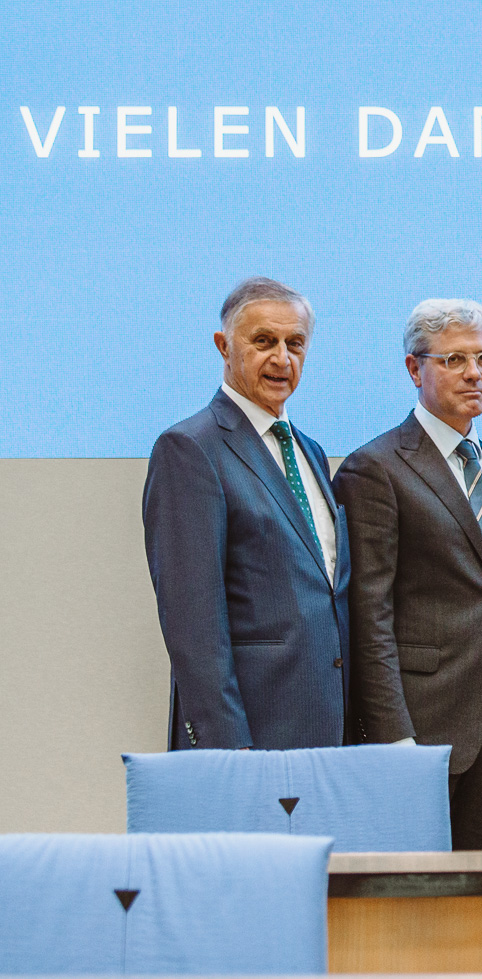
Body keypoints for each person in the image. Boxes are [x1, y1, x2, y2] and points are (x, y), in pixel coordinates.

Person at [332, 299, 482, 850]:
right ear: (414, 368)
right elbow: (368, 613)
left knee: (477, 899)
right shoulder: (374, 467)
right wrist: (393, 735)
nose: (474, 373)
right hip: (419, 729)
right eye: (454, 360)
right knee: (413, 902)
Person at [143, 277, 349, 751]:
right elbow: (192, 622)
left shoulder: (308, 450)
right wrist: (229, 746)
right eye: (263, 341)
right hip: (247, 738)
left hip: (325, 730)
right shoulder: (190, 448)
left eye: (294, 343)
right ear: (223, 346)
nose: (282, 358)